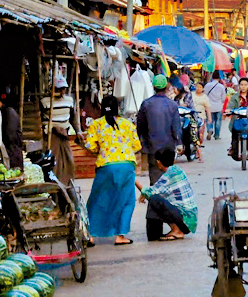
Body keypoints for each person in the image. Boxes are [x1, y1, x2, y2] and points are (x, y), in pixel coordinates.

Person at [84, 95, 142, 245]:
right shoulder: (127, 124)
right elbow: (137, 146)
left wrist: (101, 150)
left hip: (106, 166)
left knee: (97, 200)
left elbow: (90, 147)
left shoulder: (96, 125)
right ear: (118, 108)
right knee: (126, 200)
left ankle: (90, 235)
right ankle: (120, 236)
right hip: (126, 165)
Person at [136, 74, 183, 240]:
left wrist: (142, 146)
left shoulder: (146, 104)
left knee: (155, 186)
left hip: (152, 153)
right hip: (168, 153)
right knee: (167, 188)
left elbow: (140, 127)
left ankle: (155, 227)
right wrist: (179, 145)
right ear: (167, 87)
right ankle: (167, 225)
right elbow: (177, 128)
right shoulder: (172, 105)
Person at [136, 146, 198, 241]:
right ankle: (159, 233)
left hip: (185, 220)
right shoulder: (177, 170)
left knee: (155, 199)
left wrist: (134, 180)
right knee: (155, 198)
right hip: (189, 220)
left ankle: (176, 230)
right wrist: (145, 193)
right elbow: (157, 189)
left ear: (158, 162)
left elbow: (151, 193)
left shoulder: (169, 175)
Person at [41, 76, 78, 185]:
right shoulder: (45, 101)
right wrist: (52, 128)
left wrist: (78, 131)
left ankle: (67, 183)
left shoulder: (69, 100)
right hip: (51, 135)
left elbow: (73, 118)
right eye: (58, 89)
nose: (61, 92)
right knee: (53, 161)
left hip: (64, 134)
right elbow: (40, 119)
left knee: (68, 160)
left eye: (63, 89)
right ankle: (54, 184)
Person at [225, 77, 248, 159]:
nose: (243, 87)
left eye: (245, 85)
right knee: (234, 132)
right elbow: (230, 106)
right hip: (237, 119)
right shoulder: (235, 96)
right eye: (241, 85)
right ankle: (234, 149)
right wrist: (228, 110)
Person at [0, 92, 24, 171]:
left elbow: (10, 136)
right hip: (12, 150)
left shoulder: (9, 112)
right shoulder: (9, 112)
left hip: (12, 152)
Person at [204, 71, 226, 141]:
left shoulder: (207, 85)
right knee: (218, 121)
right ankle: (217, 135)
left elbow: (205, 95)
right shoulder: (221, 86)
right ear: (219, 78)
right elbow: (223, 97)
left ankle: (209, 130)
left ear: (212, 77)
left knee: (209, 119)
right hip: (218, 106)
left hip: (209, 105)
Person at [192, 81, 211, 149]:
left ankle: (198, 147)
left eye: (200, 87)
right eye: (197, 87)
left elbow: (207, 108)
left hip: (201, 117)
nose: (198, 88)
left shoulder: (205, 97)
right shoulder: (191, 95)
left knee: (200, 134)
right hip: (192, 117)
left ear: (203, 89)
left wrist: (209, 118)